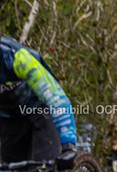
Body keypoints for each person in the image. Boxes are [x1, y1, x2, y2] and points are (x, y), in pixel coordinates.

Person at [0, 36, 77, 168]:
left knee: (43, 167)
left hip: (40, 108)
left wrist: (69, 145)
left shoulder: (17, 58)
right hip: (10, 117)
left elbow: (56, 99)